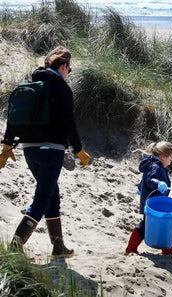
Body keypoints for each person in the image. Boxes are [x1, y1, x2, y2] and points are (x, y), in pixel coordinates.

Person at [0, 46, 90, 258]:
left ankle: (58, 248)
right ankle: (15, 245)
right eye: (70, 69)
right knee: (42, 198)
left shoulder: (29, 85)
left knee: (51, 196)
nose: (69, 73)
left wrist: (6, 146)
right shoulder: (62, 88)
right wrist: (79, 150)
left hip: (30, 150)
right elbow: (69, 122)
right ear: (64, 66)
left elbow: (14, 119)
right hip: (52, 151)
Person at [125, 141, 172, 255]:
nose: (170, 163)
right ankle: (131, 248)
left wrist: (140, 188)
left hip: (158, 200)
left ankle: (166, 247)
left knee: (164, 223)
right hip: (152, 203)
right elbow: (149, 179)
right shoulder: (155, 166)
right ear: (163, 156)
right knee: (145, 225)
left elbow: (144, 179)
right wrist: (158, 183)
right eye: (170, 160)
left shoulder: (155, 164)